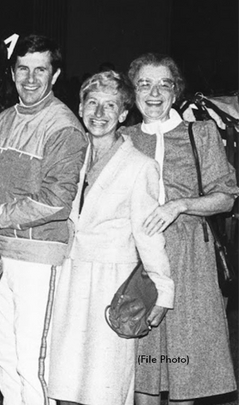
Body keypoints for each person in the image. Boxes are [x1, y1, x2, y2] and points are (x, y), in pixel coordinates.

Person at [0, 34, 88, 404]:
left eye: (40, 70)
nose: (30, 79)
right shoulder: (4, 120)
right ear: (12, 74)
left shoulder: (63, 126)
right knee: (3, 352)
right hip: (1, 254)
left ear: (55, 75)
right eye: (23, 69)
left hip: (38, 256)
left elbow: (56, 201)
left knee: (32, 360)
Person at [47, 71, 174, 405]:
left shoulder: (139, 166)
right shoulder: (69, 158)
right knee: (63, 380)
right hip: (69, 277)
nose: (99, 114)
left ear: (122, 114)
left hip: (112, 283)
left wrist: (163, 289)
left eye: (110, 106)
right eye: (92, 103)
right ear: (80, 107)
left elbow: (148, 233)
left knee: (105, 385)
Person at [122, 53, 239, 405]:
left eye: (164, 84)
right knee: (143, 365)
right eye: (145, 83)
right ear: (133, 92)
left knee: (183, 369)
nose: (154, 92)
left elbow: (227, 198)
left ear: (176, 92)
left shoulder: (198, 133)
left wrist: (180, 204)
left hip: (191, 259)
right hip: (136, 259)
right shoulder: (123, 138)